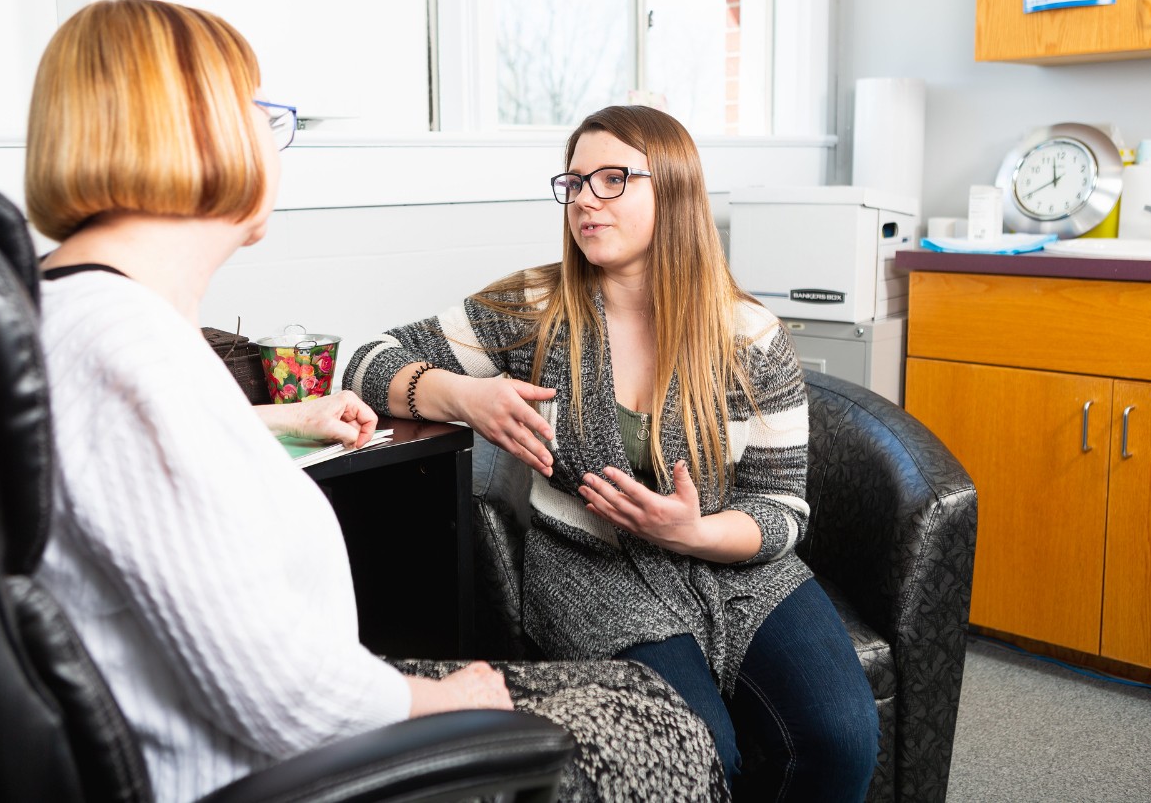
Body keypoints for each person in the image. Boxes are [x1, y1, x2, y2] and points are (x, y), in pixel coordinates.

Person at [27, 0, 725, 802]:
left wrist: (281, 416)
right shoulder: (125, 349)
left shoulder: (79, 314)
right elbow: (283, 695)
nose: (273, 139)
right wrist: (451, 699)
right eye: (259, 113)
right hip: (263, 760)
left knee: (644, 698)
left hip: (275, 718)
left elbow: (133, 452)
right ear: (196, 131)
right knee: (657, 731)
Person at [344, 104, 880, 800]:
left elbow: (781, 507)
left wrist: (694, 531)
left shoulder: (750, 334)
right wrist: (467, 397)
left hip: (736, 567)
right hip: (591, 568)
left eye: (612, 179)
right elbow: (365, 360)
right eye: (574, 183)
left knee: (839, 737)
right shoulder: (537, 308)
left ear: (675, 189)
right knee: (694, 744)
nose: (586, 200)